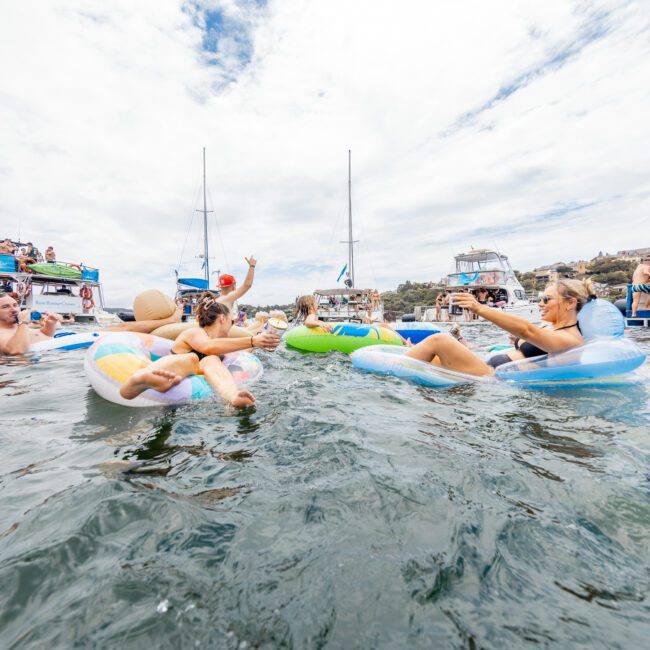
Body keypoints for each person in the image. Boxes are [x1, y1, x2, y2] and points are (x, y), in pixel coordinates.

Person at [119, 293, 280, 407]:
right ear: (222, 319)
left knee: (211, 360)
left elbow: (237, 354)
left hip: (189, 382)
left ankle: (232, 396)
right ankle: (141, 380)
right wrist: (252, 340)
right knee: (193, 359)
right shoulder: (195, 332)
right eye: (231, 321)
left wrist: (259, 342)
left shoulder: (221, 344)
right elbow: (207, 347)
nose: (232, 326)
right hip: (177, 369)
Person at [405, 278, 593, 376]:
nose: (540, 304)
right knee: (426, 353)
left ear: (570, 303)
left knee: (440, 340)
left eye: (546, 299)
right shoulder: (550, 327)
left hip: (492, 377)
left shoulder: (572, 338)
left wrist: (478, 307)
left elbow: (526, 330)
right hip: (488, 366)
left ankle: (383, 371)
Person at [216, 256, 257, 323]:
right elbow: (247, 285)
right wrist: (252, 266)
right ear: (233, 287)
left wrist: (236, 320)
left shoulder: (219, 300)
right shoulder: (228, 298)